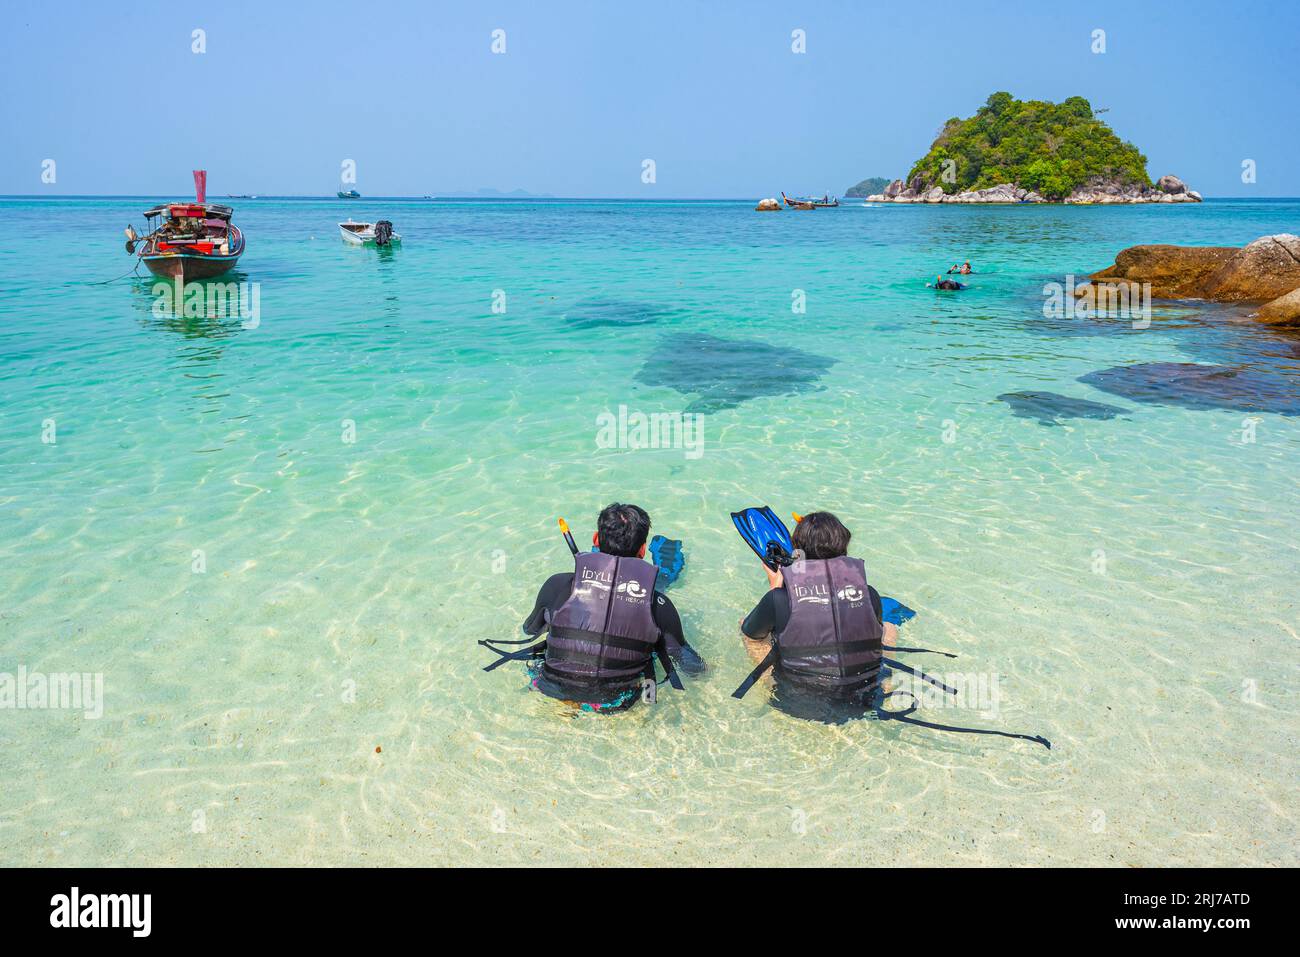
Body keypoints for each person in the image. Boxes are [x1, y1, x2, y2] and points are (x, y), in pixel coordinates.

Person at [515, 503, 704, 712]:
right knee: (656, 592)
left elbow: (530, 629)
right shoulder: (660, 605)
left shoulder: (558, 585)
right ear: (642, 550)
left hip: (551, 689)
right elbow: (691, 667)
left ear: (596, 539)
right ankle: (666, 574)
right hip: (617, 702)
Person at [738, 512, 896, 713]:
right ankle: (886, 682)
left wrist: (775, 589)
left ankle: (767, 685)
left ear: (798, 553)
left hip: (796, 701)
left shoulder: (777, 599)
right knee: (888, 628)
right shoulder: (869, 594)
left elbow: (752, 632)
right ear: (843, 546)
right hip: (863, 698)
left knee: (749, 630)